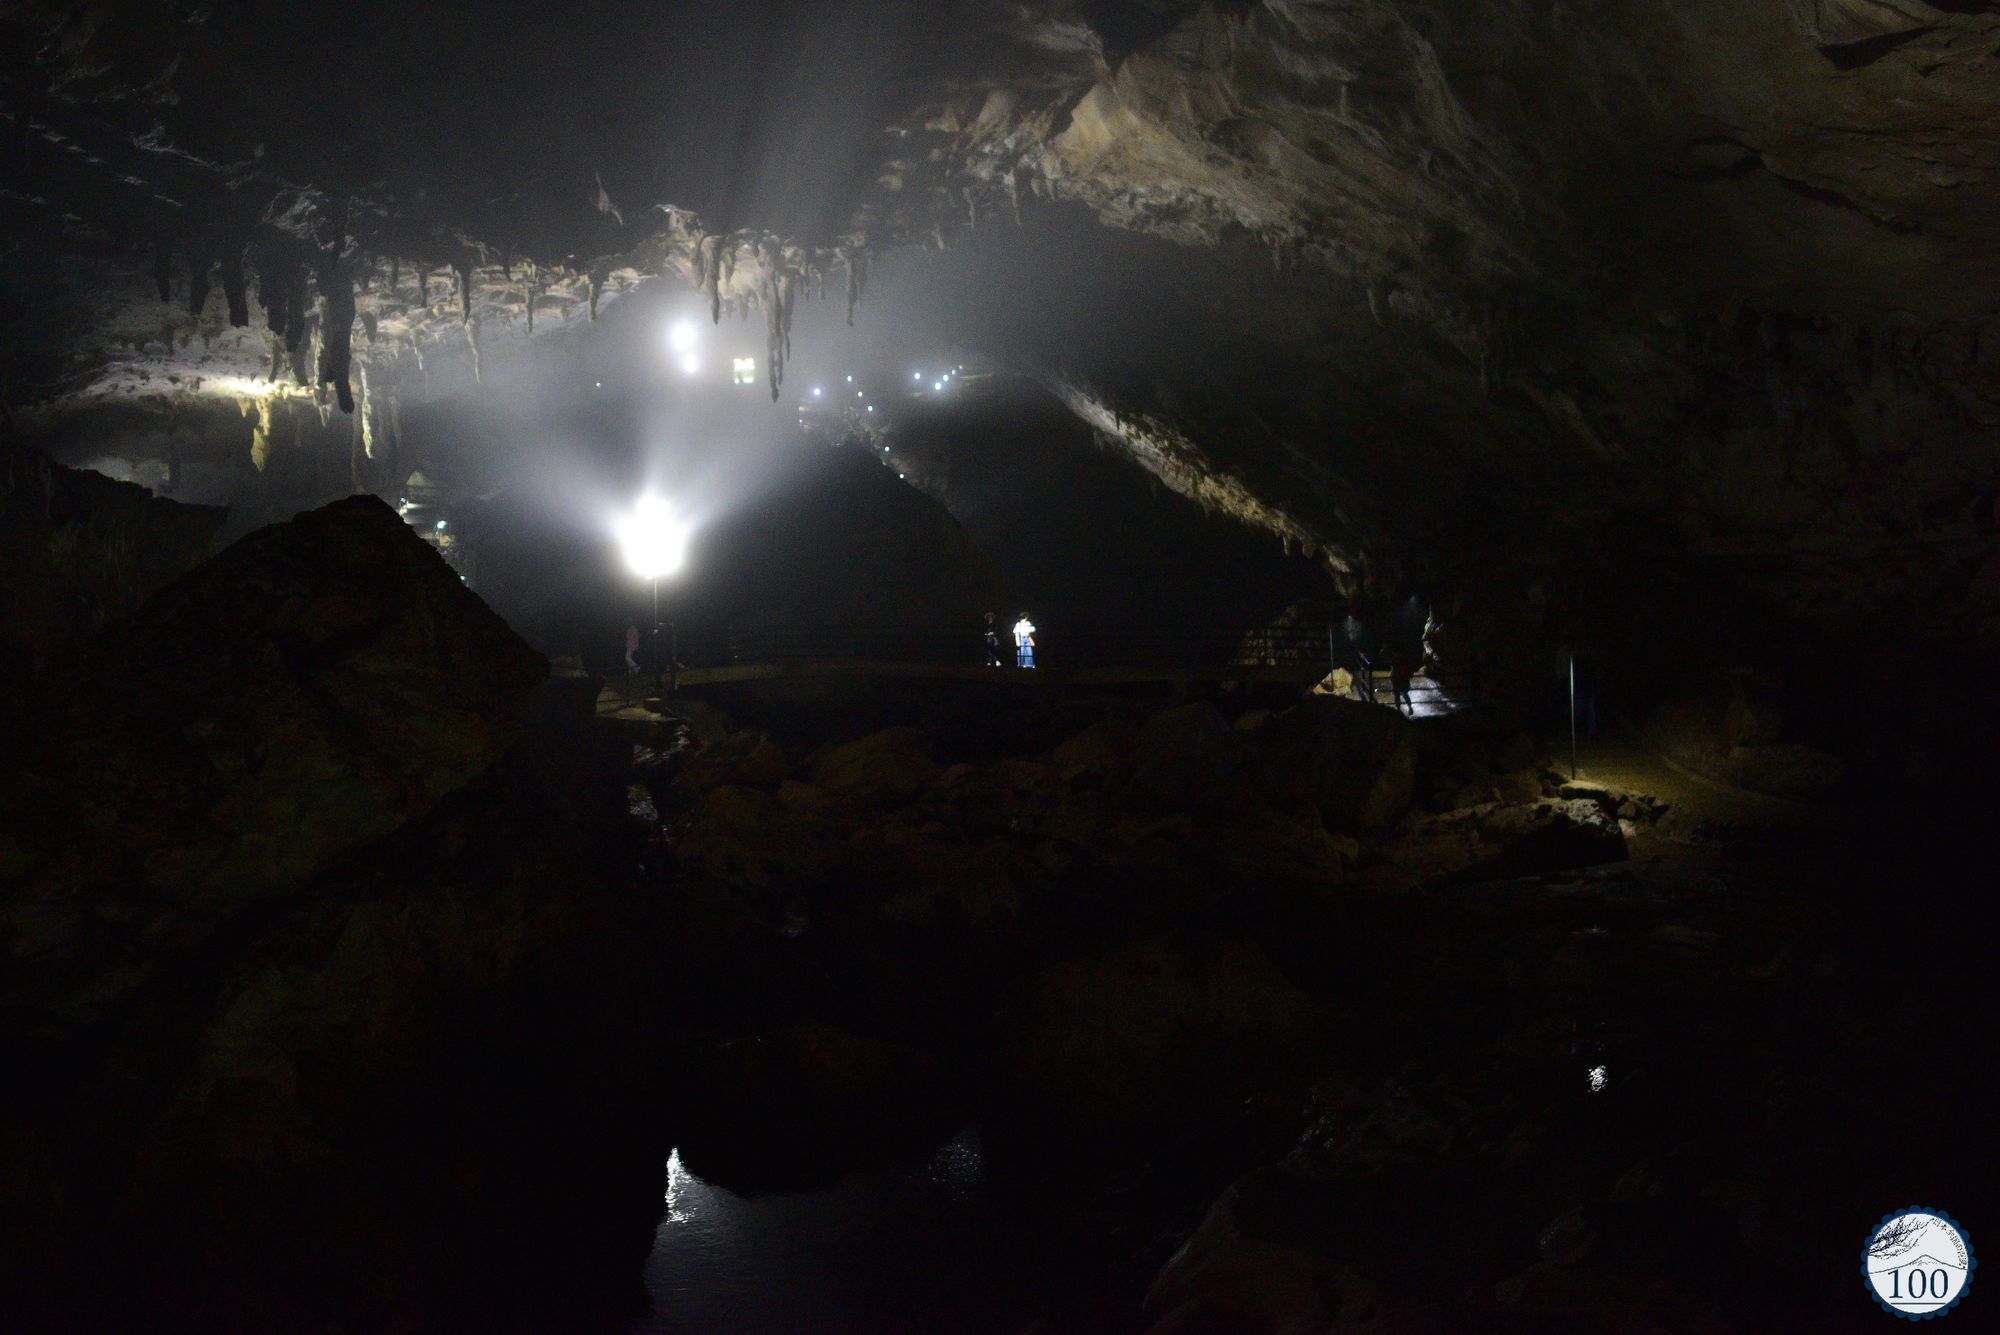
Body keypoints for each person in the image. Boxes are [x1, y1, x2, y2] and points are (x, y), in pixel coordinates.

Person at [1386, 642, 1415, 715]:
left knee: (1398, 694)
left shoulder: (1394, 657)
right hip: (1401, 676)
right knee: (1403, 693)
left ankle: (1399, 709)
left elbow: (1390, 663)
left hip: (1397, 676)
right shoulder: (1404, 657)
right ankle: (1409, 708)